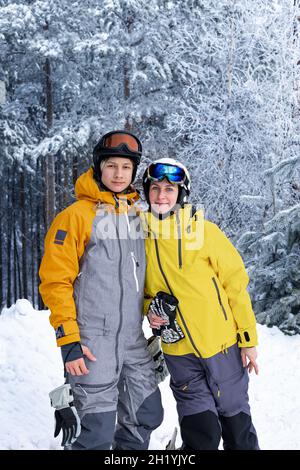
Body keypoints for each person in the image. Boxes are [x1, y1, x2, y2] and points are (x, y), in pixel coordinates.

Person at [39, 131, 164, 450]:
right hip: (92, 339)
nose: (119, 174)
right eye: (111, 165)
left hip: (133, 339)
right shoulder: (76, 217)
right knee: (94, 427)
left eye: (126, 166)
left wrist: (155, 312)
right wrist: (69, 340)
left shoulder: (138, 217)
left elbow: (145, 276)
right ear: (98, 168)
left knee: (146, 411)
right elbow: (56, 281)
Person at [142, 157, 259, 450]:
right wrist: (150, 312)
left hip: (222, 347)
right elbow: (140, 292)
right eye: (155, 189)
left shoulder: (206, 232)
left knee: (238, 431)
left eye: (169, 189)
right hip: (179, 352)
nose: (161, 196)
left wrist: (247, 338)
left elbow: (236, 285)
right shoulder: (139, 237)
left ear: (181, 194)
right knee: (201, 434)